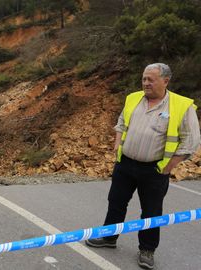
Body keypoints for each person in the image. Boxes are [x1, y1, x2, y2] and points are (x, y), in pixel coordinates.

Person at [85, 63, 200, 269]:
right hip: (126, 164)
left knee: (151, 211)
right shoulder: (133, 98)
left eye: (151, 79)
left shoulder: (181, 106)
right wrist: (117, 144)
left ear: (165, 81)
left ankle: (147, 249)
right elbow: (121, 122)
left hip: (154, 170)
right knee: (116, 203)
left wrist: (170, 166)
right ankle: (109, 237)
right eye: (144, 79)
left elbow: (190, 141)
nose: (146, 83)